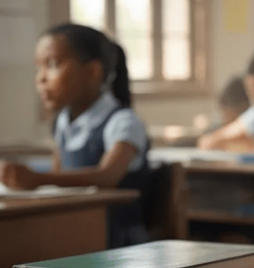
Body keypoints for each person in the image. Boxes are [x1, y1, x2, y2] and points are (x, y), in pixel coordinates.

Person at [0, 23, 150, 246]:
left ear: (92, 71)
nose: (40, 78)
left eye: (52, 65)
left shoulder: (122, 122)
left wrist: (37, 179)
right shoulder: (62, 122)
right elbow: (58, 181)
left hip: (117, 243)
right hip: (73, 231)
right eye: (38, 68)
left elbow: (107, 176)